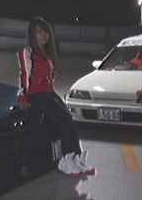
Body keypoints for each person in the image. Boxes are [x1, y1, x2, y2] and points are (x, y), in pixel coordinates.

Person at [16, 16, 95, 176]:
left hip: (48, 92)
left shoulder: (47, 53)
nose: (44, 35)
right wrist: (22, 97)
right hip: (35, 94)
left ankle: (76, 158)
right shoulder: (27, 51)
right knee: (64, 118)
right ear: (32, 34)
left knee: (69, 118)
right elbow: (25, 74)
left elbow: (51, 77)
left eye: (45, 31)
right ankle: (66, 160)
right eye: (39, 32)